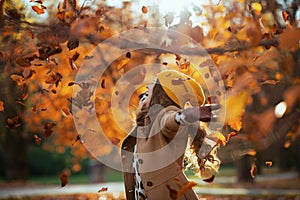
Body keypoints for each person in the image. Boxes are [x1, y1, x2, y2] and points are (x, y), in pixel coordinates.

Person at [121, 70, 219, 200]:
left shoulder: (166, 114)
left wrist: (186, 115)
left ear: (161, 93)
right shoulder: (146, 124)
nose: (146, 89)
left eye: (151, 86)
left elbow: (170, 121)